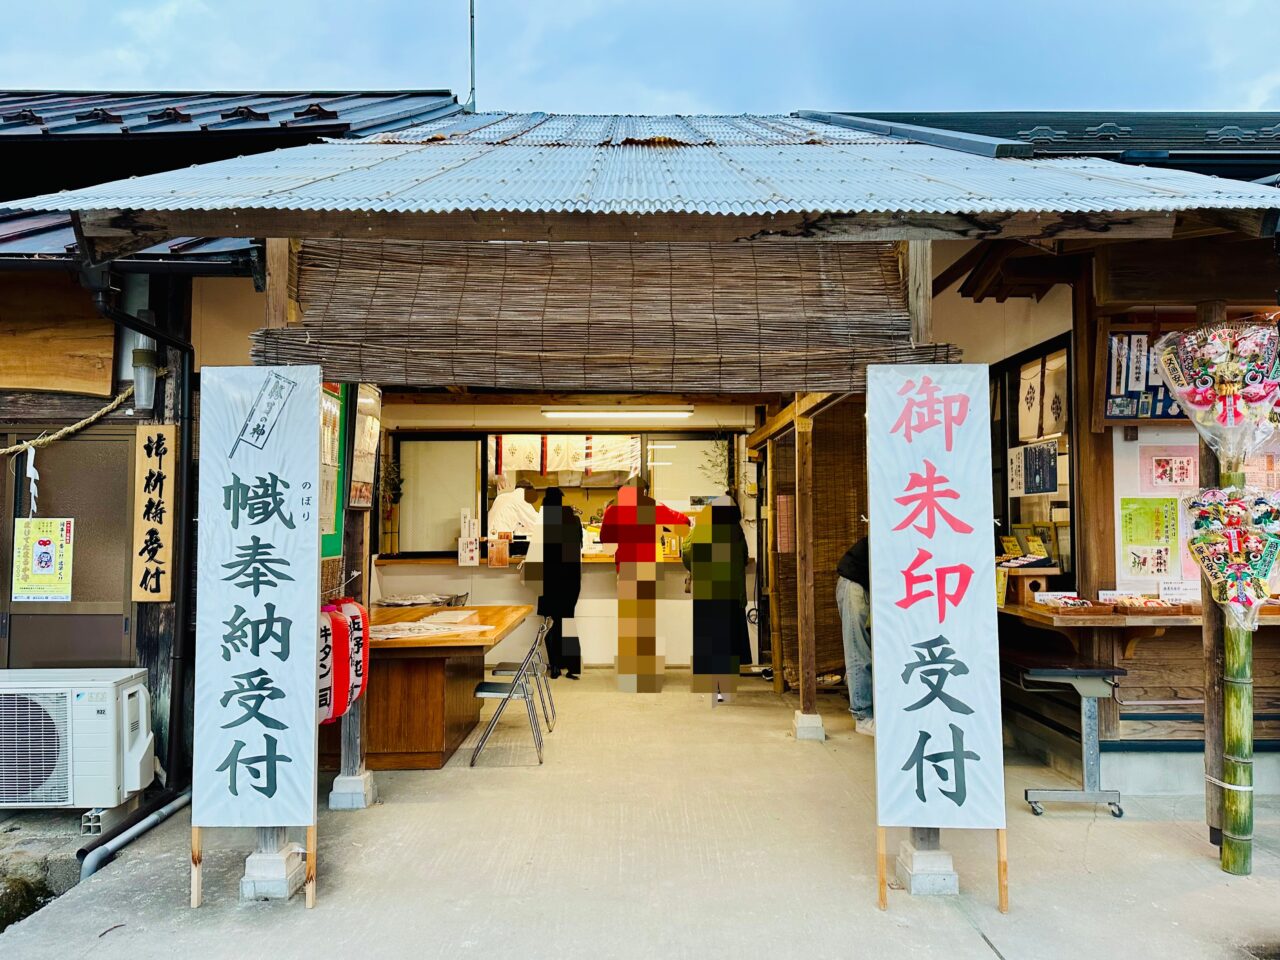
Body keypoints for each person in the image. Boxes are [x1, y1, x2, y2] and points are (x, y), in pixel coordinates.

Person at [599, 477, 689, 693]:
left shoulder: (614, 510)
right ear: (646, 491)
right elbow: (684, 523)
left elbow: (606, 540)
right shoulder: (655, 507)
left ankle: (630, 678)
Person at [681, 494, 750, 699]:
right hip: (731, 593)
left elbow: (687, 551)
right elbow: (744, 557)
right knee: (727, 637)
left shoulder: (702, 527)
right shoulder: (737, 531)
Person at [535, 487, 583, 679]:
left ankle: (554, 665)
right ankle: (572, 667)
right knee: (567, 621)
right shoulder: (574, 520)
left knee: (552, 621)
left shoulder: (545, 521)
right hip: (571, 580)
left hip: (551, 580)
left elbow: (537, 554)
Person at [836, 536, 874, 735]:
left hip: (866, 582)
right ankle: (862, 715)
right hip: (855, 582)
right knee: (858, 650)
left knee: (864, 650)